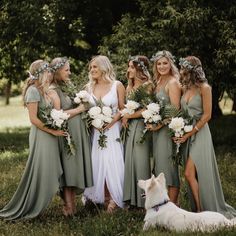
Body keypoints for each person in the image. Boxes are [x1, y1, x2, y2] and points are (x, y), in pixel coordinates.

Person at [0, 60, 66, 220]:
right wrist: (53, 131)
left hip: (49, 135)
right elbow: (33, 119)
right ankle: (31, 205)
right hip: (42, 136)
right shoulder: (33, 91)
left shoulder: (43, 90)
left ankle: (38, 202)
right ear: (41, 73)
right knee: (41, 170)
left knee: (45, 169)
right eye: (48, 71)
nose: (51, 74)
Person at [177, 56, 236, 218]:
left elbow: (207, 116)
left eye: (184, 67)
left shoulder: (205, 88)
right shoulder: (185, 88)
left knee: (189, 174)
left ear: (193, 69)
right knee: (191, 174)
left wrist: (189, 132)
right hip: (187, 133)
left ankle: (201, 210)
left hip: (200, 133)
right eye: (181, 67)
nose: (181, 71)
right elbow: (182, 113)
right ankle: (198, 208)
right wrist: (178, 129)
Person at [48, 57, 93, 216]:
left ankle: (72, 206)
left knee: (74, 169)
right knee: (68, 170)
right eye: (66, 70)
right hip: (67, 136)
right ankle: (69, 208)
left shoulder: (68, 86)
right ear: (57, 71)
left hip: (77, 134)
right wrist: (79, 110)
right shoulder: (53, 89)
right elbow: (57, 114)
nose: (70, 72)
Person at [83, 55, 125, 213]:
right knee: (98, 161)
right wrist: (94, 122)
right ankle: (101, 198)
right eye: (91, 68)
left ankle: (114, 199)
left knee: (113, 161)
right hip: (96, 132)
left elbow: (122, 108)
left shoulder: (117, 85)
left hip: (113, 130)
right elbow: (85, 111)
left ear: (104, 67)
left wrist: (111, 122)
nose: (92, 70)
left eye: (95, 67)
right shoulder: (88, 88)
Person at [146, 50, 181, 204]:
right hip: (156, 131)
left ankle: (174, 204)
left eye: (165, 63)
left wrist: (158, 125)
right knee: (160, 167)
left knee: (169, 168)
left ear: (171, 64)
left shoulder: (173, 82)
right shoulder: (158, 81)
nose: (161, 66)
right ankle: (163, 202)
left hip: (167, 131)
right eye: (159, 63)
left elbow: (175, 110)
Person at [122, 55, 153, 209]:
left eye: (132, 67)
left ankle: (143, 200)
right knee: (130, 161)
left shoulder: (147, 86)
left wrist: (128, 115)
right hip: (129, 128)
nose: (129, 70)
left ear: (140, 69)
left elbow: (147, 109)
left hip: (142, 126)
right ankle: (130, 199)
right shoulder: (129, 87)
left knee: (141, 163)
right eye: (129, 67)